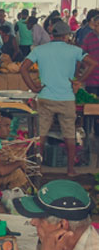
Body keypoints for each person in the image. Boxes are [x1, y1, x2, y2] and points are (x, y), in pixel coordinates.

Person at [21, 20, 96, 177]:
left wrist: (34, 87)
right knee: (69, 134)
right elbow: (93, 64)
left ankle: (37, 168)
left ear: (52, 35)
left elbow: (23, 68)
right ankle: (70, 170)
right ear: (66, 36)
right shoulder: (74, 50)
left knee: (40, 134)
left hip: (45, 97)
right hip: (67, 98)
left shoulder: (39, 50)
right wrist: (79, 80)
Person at [81, 11, 99, 97]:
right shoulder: (88, 37)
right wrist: (86, 67)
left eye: (98, 25)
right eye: (95, 25)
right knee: (92, 106)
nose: (96, 28)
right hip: (92, 80)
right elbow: (82, 55)